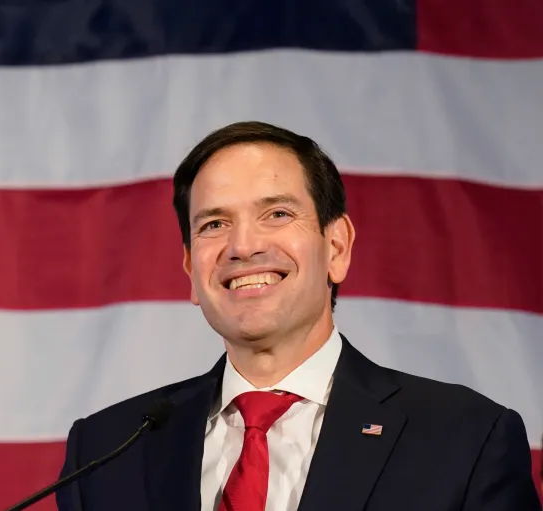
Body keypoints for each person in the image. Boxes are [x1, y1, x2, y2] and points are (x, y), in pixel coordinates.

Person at [55, 121, 541, 510]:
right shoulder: (105, 451)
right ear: (190, 269)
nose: (243, 246)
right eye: (214, 224)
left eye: (278, 214)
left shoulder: (467, 439)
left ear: (337, 247)